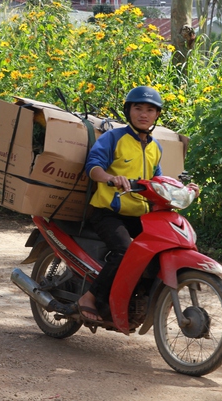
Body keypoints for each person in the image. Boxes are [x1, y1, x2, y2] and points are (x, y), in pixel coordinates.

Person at [77, 86, 198, 322]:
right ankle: (90, 298)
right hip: (108, 211)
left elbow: (157, 180)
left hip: (140, 214)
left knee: (166, 244)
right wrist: (110, 178)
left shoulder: (155, 147)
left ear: (157, 115)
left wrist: (181, 190)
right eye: (138, 108)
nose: (144, 114)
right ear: (128, 111)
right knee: (124, 251)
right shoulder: (114, 137)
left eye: (150, 110)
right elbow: (93, 167)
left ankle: (144, 296)